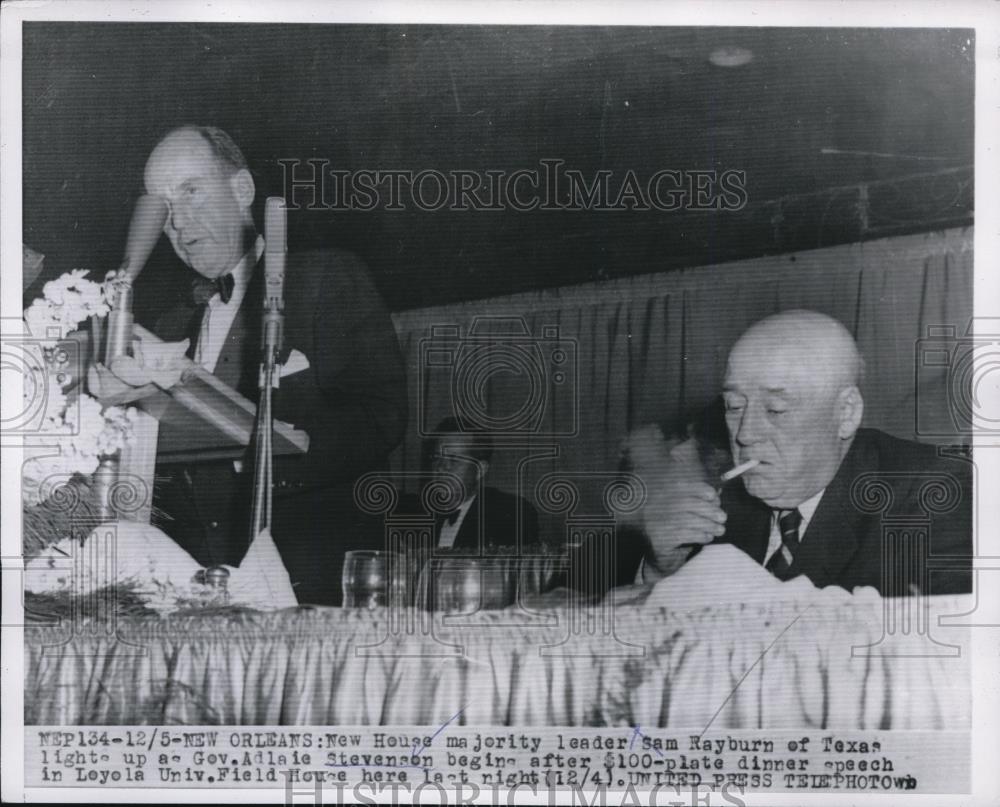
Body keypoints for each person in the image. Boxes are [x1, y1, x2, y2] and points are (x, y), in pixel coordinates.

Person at [108, 125, 407, 605]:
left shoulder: (326, 279)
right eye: (162, 208)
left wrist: (260, 452)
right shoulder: (168, 324)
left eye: (191, 191)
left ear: (243, 189)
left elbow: (379, 416)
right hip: (194, 594)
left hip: (312, 587)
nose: (177, 222)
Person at [635, 310, 972, 596]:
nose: (745, 434)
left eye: (776, 409)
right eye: (734, 406)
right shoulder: (722, 504)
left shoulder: (936, 493)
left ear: (845, 414)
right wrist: (660, 568)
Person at [404, 418, 539, 551]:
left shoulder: (510, 514)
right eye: (436, 458)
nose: (440, 467)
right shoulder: (417, 516)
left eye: (454, 460)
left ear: (480, 470)